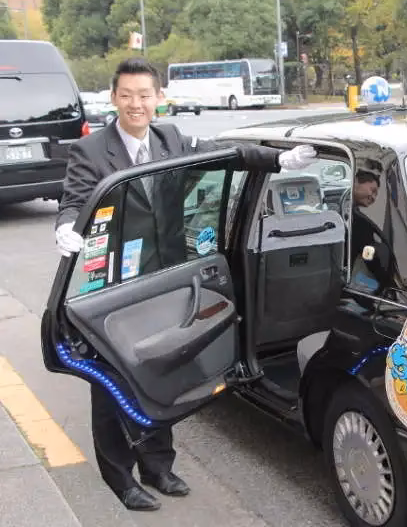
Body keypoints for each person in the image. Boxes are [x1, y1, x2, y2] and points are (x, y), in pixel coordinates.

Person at [54, 57, 317, 512]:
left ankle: (158, 466)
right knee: (112, 384)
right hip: (114, 290)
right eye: (127, 95)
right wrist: (65, 226)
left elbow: (228, 155)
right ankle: (121, 478)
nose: (136, 104)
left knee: (164, 372)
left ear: (158, 98)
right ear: (114, 98)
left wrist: (277, 159)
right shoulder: (91, 150)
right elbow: (75, 200)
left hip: (166, 281)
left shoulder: (171, 139)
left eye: (145, 95)